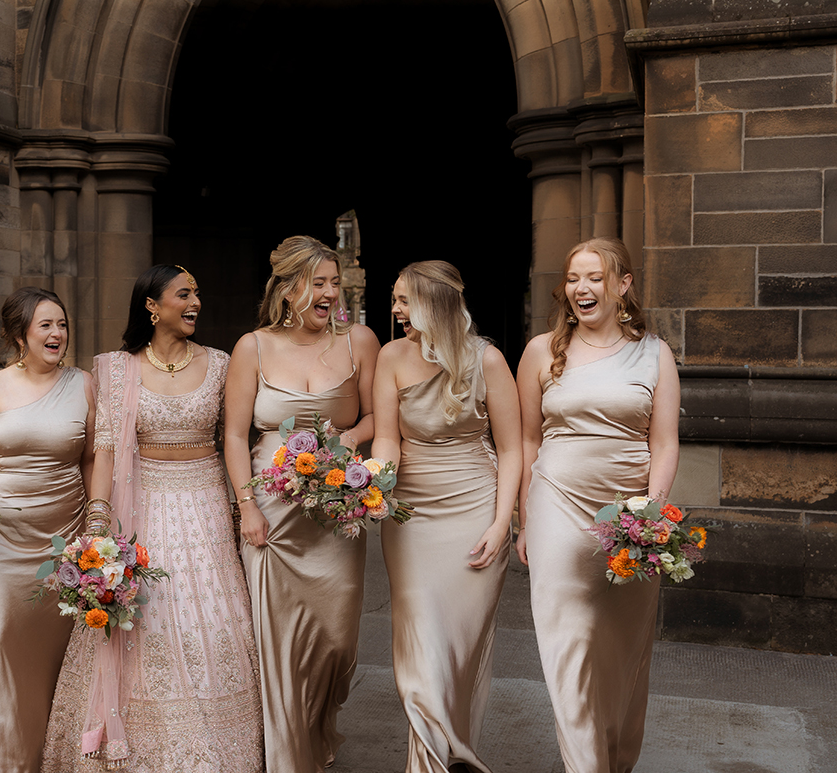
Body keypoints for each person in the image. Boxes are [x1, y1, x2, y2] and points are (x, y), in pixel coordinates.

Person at [42, 264, 263, 772]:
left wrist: (242, 504)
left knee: (209, 621)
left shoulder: (222, 363)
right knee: (147, 620)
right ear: (152, 305)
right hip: (139, 511)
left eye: (198, 294)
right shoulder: (117, 369)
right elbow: (105, 452)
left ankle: (217, 750)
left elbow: (236, 439)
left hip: (205, 507)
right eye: (184, 294)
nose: (196, 303)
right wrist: (97, 525)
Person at [515, 238, 680, 773]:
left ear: (623, 284)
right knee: (571, 646)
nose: (580, 289)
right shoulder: (542, 351)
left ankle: (614, 760)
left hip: (631, 515)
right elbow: (526, 442)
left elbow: (664, 443)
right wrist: (523, 517)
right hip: (557, 506)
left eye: (594, 278)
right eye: (572, 278)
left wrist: (651, 515)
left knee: (619, 655)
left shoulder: (655, 353)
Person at [224, 236, 380, 772]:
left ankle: (318, 724)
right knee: (279, 640)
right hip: (272, 504)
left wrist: (346, 445)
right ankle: (289, 754)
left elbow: (378, 418)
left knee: (336, 640)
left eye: (335, 284)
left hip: (334, 505)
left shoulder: (360, 340)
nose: (331, 294)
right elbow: (233, 434)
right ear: (290, 290)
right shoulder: (254, 347)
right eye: (320, 284)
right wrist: (247, 506)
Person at [371, 261, 521, 773]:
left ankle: (446, 753)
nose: (394, 309)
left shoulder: (490, 360)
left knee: (458, 647)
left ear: (434, 303)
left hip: (475, 509)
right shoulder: (391, 357)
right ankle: (439, 760)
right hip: (411, 517)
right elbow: (387, 436)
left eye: (403, 300)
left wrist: (503, 523)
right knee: (421, 648)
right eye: (394, 298)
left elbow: (513, 447)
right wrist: (377, 480)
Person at [0, 287, 95, 773]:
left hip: (63, 538)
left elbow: (93, 459)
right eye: (45, 326)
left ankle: (43, 755)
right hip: (0, 541)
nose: (57, 334)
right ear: (18, 335)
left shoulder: (85, 385)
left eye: (62, 324)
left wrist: (99, 524)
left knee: (51, 656)